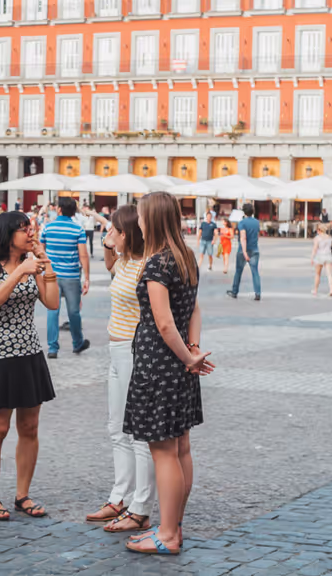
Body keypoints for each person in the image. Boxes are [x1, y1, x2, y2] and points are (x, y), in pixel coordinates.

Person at [123, 192, 214, 556]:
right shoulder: (185, 257)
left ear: (154, 220)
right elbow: (194, 311)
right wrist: (191, 349)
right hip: (179, 362)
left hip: (158, 363)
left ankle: (166, 533)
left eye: (142, 217)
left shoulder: (157, 264)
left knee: (163, 450)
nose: (139, 223)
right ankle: (174, 526)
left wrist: (186, 357)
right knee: (181, 447)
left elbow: (162, 322)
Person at [0, 211, 60, 522]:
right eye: (23, 229)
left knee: (29, 428)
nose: (29, 233)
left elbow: (52, 302)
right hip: (1, 356)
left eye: (31, 228)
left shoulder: (33, 262)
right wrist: (19, 271)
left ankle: (22, 494)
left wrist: (45, 262)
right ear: (7, 233)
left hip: (29, 354)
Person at [86, 205, 156, 533]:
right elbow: (110, 258)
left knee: (138, 432)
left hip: (133, 351)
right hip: (116, 351)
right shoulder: (124, 261)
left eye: (113, 230)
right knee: (116, 428)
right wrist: (108, 239)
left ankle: (140, 505)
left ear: (127, 234)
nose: (107, 235)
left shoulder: (145, 266)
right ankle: (120, 496)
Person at [41, 197, 90, 358]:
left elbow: (41, 251)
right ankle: (77, 343)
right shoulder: (78, 229)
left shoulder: (48, 228)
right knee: (74, 312)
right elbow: (83, 255)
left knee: (52, 311)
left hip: (51, 276)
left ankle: (52, 348)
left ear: (59, 209)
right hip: (71, 276)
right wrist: (87, 278)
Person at [227, 203, 261, 301]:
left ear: (244, 212)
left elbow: (243, 237)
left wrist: (245, 252)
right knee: (255, 272)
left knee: (238, 271)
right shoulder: (257, 222)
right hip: (255, 249)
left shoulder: (242, 223)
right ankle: (257, 293)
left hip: (243, 250)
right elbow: (257, 236)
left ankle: (234, 291)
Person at [310, 223, 332, 297]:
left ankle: (315, 290)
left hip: (320, 256)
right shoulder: (329, 238)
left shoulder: (317, 238)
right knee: (329, 274)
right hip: (328, 256)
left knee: (317, 274)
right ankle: (331, 290)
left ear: (319, 230)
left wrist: (312, 257)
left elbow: (315, 249)